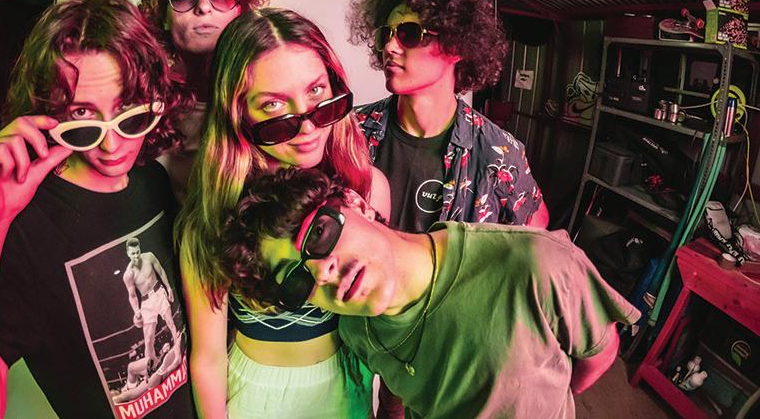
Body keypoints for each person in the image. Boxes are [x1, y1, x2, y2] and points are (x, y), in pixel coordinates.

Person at [0, 0, 195, 419]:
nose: (111, 145)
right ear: (47, 113)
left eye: (129, 112)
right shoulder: (25, 228)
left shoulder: (153, 181)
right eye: (82, 117)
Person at [222, 167, 641, 419]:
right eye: (297, 278)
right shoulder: (355, 330)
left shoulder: (535, 262)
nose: (322, 270)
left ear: (355, 202)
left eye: (318, 234)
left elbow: (600, 355)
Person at [175, 8, 391, 419]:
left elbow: (378, 317)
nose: (307, 127)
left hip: (348, 385)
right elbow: (207, 358)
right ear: (238, 112)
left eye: (316, 91)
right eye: (274, 105)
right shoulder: (212, 216)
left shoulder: (368, 188)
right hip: (256, 395)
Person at [348, 0, 549, 232]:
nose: (390, 47)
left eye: (409, 33)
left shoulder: (498, 152)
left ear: (456, 46)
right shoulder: (351, 130)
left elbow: (537, 226)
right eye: (387, 34)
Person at [139, 0, 270, 202]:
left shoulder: (269, 97)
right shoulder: (140, 105)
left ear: (242, 10)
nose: (203, 6)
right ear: (162, 15)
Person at [123, 237, 180, 368]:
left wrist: (168, 287)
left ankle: (178, 352)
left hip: (158, 292)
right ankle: (152, 366)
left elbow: (160, 271)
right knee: (148, 339)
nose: (136, 256)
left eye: (137, 252)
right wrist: (136, 311)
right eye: (133, 253)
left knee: (170, 322)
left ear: (140, 249)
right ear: (128, 253)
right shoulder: (128, 274)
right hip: (146, 302)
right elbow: (132, 296)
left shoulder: (149, 257)